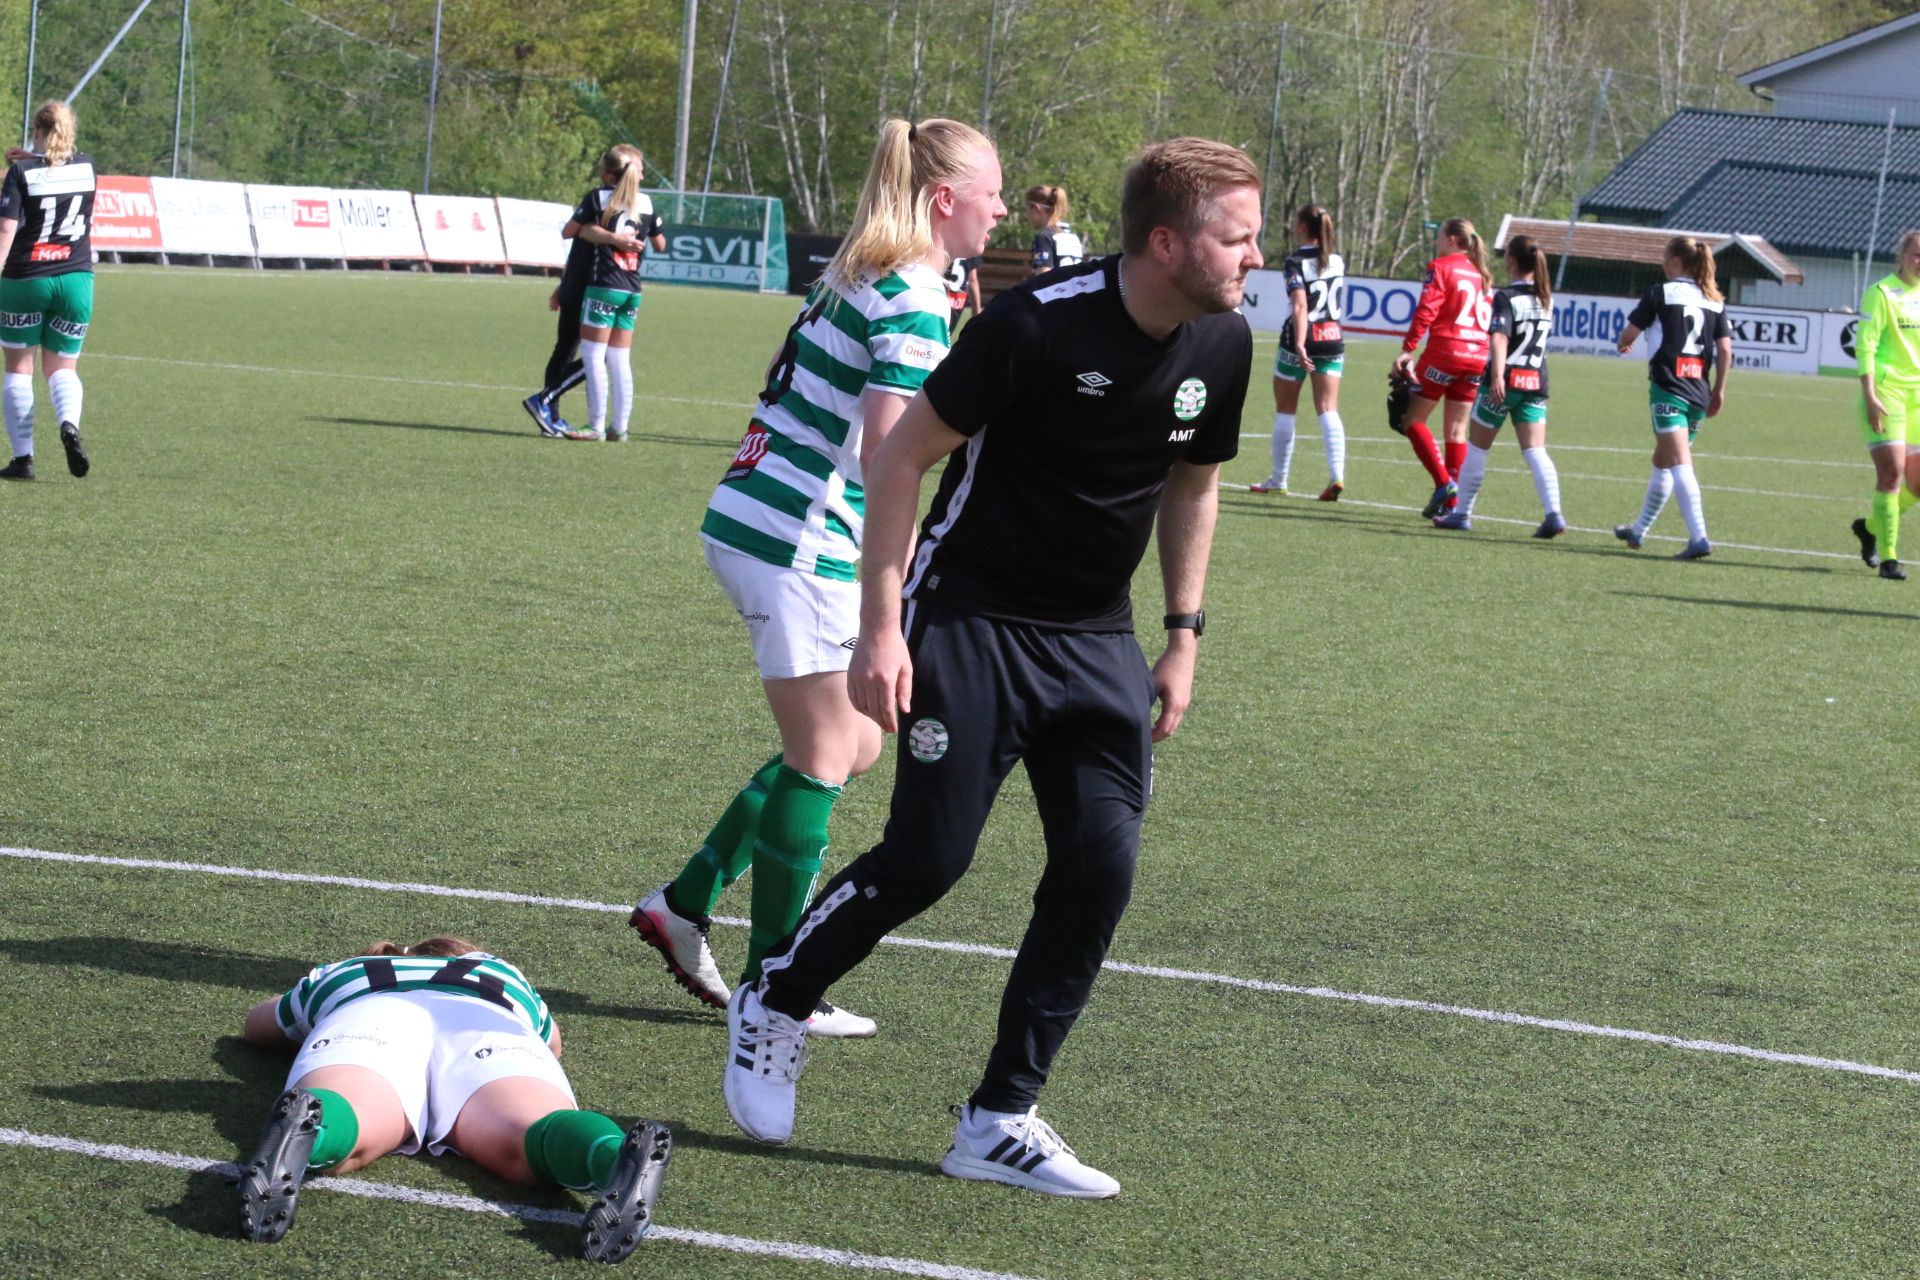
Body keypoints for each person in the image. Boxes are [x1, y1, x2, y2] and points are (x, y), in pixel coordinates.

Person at [719, 137, 1259, 1200]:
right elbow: (900, 455)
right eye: (1237, 237)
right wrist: (883, 626)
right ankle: (775, 996)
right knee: (929, 858)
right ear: (1167, 241)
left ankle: (999, 1115)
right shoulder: (1032, 326)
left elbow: (1192, 486)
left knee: (1102, 868)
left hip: (1098, 641)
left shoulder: (1225, 342)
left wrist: (1183, 632)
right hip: (970, 620)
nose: (1254, 257)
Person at [629, 118, 1006, 1039]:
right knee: (826, 755)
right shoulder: (914, 295)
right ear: (947, 199)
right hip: (799, 538)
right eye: (994, 192)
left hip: (761, 513)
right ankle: (772, 986)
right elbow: (889, 452)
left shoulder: (863, 266)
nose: (1004, 210)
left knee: (855, 745)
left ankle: (684, 904)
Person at [234, 934, 670, 1264]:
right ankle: (609, 1155)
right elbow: (552, 1043)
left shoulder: (351, 969)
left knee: (354, 1118)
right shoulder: (502, 973)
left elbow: (258, 1025)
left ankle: (317, 1129)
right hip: (485, 1025)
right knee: (531, 1133)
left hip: (371, 1016)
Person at [1433, 234, 1565, 537]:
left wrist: (1496, 376)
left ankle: (1462, 513)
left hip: (1506, 383)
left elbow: (1499, 337)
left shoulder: (1506, 297)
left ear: (1512, 261)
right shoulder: (1546, 298)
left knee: (1477, 447)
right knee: (1535, 450)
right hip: (1535, 383)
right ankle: (1553, 513)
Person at [1611, 236, 1732, 560]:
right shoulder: (1714, 299)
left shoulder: (1660, 293)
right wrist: (1718, 389)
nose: (1662, 263)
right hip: (1698, 391)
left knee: (1678, 463)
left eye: (1664, 258)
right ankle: (1638, 530)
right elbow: (1724, 349)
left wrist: (1623, 342)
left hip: (1668, 387)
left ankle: (1699, 538)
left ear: (1676, 262)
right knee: (1662, 460)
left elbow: (1629, 334)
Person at [521, 161, 656, 439]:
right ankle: (550, 409)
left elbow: (577, 236)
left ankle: (549, 407)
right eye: (638, 168)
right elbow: (573, 234)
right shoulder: (603, 201)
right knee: (574, 351)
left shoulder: (609, 205)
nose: (641, 175)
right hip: (589, 287)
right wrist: (566, 283)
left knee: (589, 354)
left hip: (595, 286)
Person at [0, 100, 95, 481]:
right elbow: (56, 166)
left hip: (27, 278)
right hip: (76, 280)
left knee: (19, 368)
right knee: (61, 367)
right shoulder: (88, 167)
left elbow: (7, 232)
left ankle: (23, 460)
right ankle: (69, 424)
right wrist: (32, 158)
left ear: (37, 131)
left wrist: (22, 164)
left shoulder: (19, 173)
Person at [562, 145, 666, 443]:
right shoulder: (646, 202)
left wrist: (599, 234)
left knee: (594, 356)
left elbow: (570, 230)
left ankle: (595, 425)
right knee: (620, 359)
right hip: (632, 288)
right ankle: (620, 427)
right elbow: (660, 244)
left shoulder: (599, 197)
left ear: (608, 173)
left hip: (604, 285)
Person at [1391, 218, 1493, 517]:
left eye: (1439, 237)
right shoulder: (1483, 274)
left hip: (1446, 351)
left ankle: (1444, 483)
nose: (1436, 243)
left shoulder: (1441, 266)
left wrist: (1408, 348)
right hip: (1478, 356)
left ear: (1451, 239)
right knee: (1457, 430)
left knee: (1412, 419)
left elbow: (1427, 309)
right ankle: (1451, 504)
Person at [1250, 203, 1346, 500]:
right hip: (1333, 338)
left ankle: (1279, 480)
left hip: (1302, 339)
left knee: (1286, 409)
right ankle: (1337, 474)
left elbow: (1300, 305)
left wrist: (1301, 342)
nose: (1293, 226)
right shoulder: (1338, 260)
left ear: (1304, 226)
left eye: (1296, 222)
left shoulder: (1295, 262)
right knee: (1328, 408)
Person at [1847, 228, 1920, 582]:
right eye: (1916, 254)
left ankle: (1869, 527)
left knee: (1918, 484)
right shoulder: (1881, 293)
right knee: (1892, 474)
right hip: (1887, 393)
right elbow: (1866, 346)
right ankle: (1890, 558)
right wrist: (1870, 395)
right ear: (1902, 256)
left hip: (1919, 397)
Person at [1025, 184, 1084, 275]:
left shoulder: (1044, 238)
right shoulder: (1073, 236)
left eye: (1028, 210)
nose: (1027, 216)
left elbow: (1044, 277)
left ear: (1037, 209)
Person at [943, 251, 984, 333]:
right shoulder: (970, 249)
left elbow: (972, 281)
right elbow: (973, 281)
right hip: (956, 302)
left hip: (945, 299)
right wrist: (976, 314)